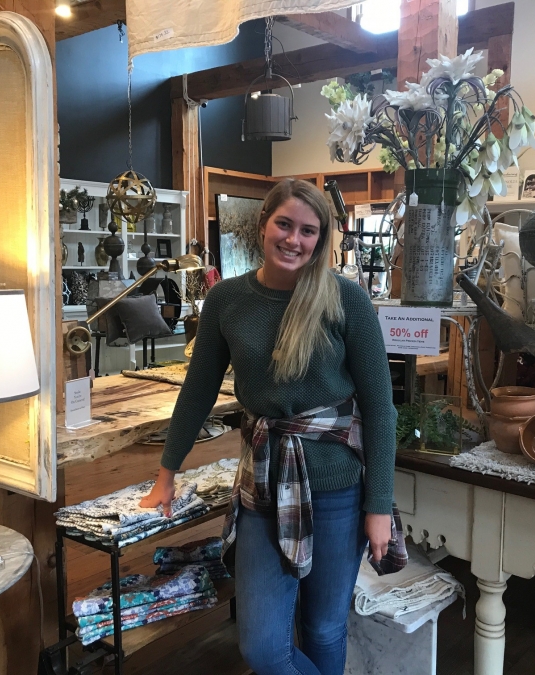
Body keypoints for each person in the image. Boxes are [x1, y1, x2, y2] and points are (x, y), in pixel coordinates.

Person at [140, 178, 397, 675]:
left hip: (338, 488)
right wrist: (166, 473)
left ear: (320, 240)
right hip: (261, 484)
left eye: (308, 231)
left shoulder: (347, 300)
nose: (293, 239)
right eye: (284, 224)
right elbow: (198, 392)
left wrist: (379, 505)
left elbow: (381, 409)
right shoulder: (227, 301)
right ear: (263, 225)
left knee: (323, 629)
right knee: (261, 646)